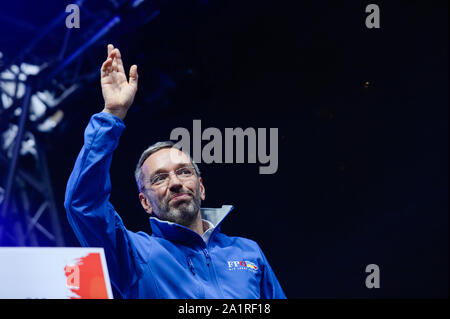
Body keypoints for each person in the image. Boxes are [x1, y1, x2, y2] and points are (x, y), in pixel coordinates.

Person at [64, 44, 286, 299]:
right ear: (145, 201)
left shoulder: (248, 252)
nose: (175, 182)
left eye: (183, 172)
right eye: (159, 178)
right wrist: (111, 115)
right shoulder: (135, 255)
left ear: (200, 187)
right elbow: (83, 204)